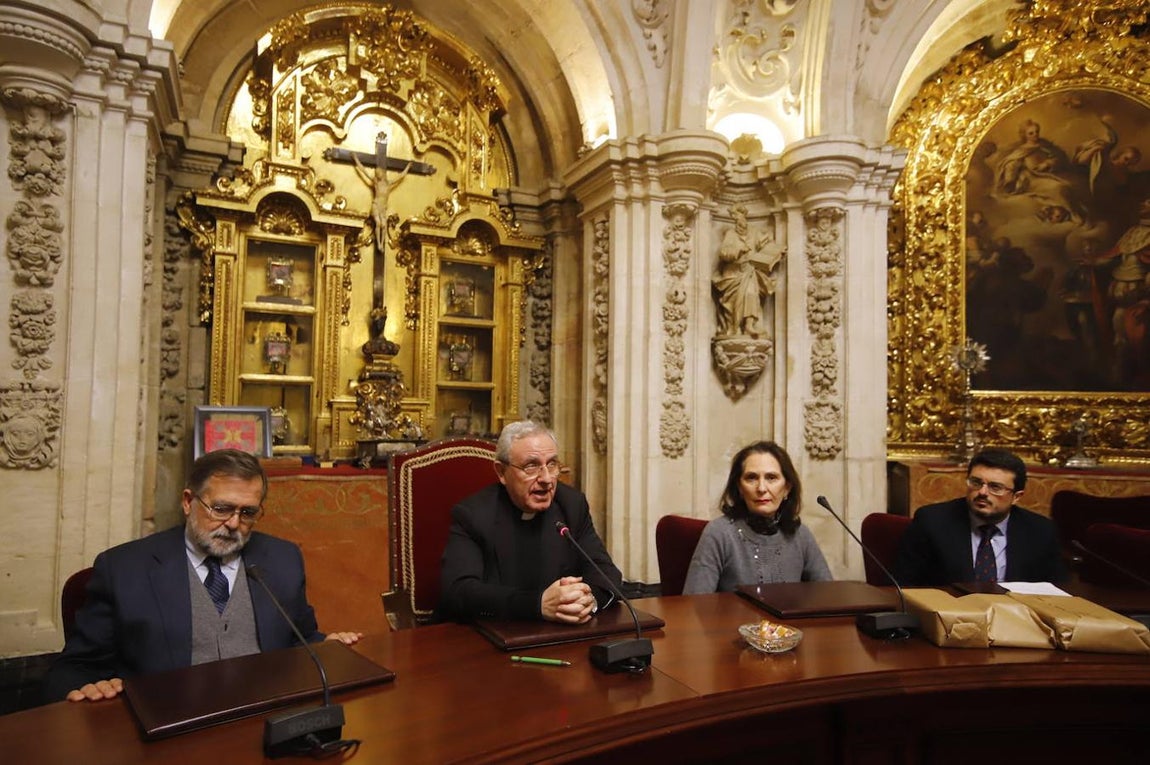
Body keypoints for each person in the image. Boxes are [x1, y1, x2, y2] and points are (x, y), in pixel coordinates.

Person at [43, 449, 361, 703]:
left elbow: (300, 639)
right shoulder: (124, 567)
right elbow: (73, 668)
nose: (234, 523)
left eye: (248, 512)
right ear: (187, 502)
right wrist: (86, 688)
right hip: (165, 730)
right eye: (221, 509)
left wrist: (327, 645)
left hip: (266, 721)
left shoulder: (283, 559)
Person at [437, 420, 623, 623]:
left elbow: (605, 572)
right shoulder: (473, 515)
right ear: (501, 472)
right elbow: (459, 592)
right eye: (531, 466)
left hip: (562, 635)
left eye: (552, 464)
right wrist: (537, 605)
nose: (546, 479)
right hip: (494, 636)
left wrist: (588, 600)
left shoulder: (571, 504)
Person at [893, 448, 1068, 587]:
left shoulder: (1040, 531)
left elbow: (1055, 590)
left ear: (1016, 497)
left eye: (995, 487)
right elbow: (905, 585)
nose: (983, 492)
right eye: (976, 483)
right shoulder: (932, 521)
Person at [682, 441, 831, 594]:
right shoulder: (720, 533)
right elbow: (694, 606)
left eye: (771, 478)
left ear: (787, 488)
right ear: (739, 488)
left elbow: (828, 596)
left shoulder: (800, 534)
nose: (761, 488)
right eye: (751, 478)